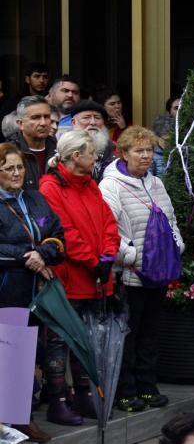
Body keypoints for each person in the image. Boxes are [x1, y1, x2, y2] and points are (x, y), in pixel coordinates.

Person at [101, 126, 184, 411]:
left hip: (158, 273)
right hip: (130, 274)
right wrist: (134, 257)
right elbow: (109, 230)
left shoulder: (156, 184)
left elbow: (171, 221)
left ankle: (148, 387)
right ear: (123, 153)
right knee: (130, 334)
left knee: (151, 332)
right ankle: (126, 391)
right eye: (139, 151)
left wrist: (177, 247)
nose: (146, 156)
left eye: (149, 150)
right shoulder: (110, 185)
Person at [39, 130, 120, 416]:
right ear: (76, 156)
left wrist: (109, 254)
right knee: (61, 338)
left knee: (86, 338)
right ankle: (58, 399)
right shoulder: (50, 187)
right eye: (91, 153)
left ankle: (85, 393)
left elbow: (108, 221)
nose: (96, 158)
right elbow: (65, 232)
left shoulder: (90, 184)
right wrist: (93, 260)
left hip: (96, 274)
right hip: (70, 276)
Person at [0, 143, 64, 432]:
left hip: (37, 290)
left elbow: (56, 233)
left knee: (27, 351)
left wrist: (44, 254)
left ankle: (19, 415)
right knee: (10, 350)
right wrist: (27, 255)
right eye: (9, 168)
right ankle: (15, 417)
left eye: (19, 167)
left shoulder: (36, 198)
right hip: (8, 289)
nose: (16, 173)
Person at [12, 97, 55, 192]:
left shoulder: (60, 149)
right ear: (20, 124)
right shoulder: (9, 153)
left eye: (47, 117)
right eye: (36, 118)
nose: (43, 123)